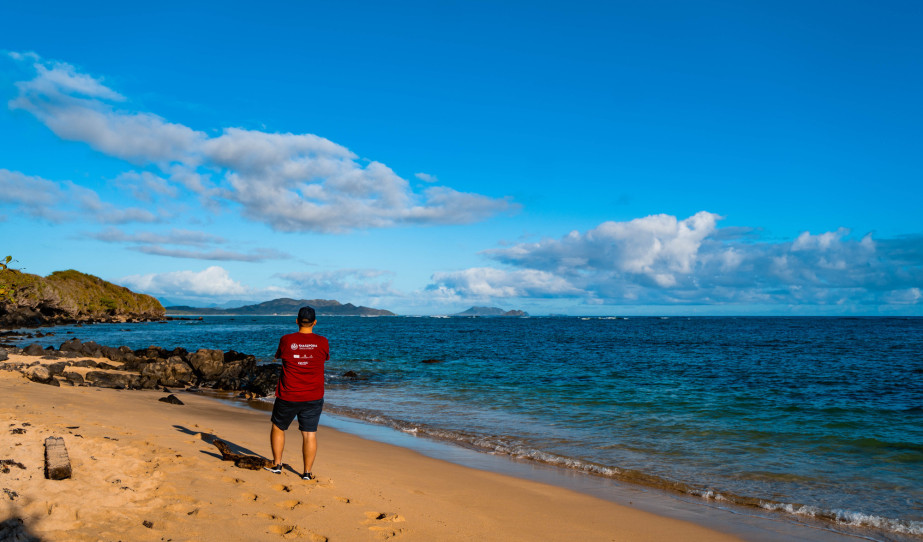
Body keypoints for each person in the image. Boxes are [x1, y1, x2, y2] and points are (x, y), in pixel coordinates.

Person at [265, 306, 329, 480]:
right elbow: (323, 358)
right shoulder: (323, 341)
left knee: (278, 427)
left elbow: (279, 356)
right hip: (313, 395)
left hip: (289, 393)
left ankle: (277, 464)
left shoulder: (286, 339)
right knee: (309, 434)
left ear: (297, 321)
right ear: (315, 322)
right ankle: (306, 473)